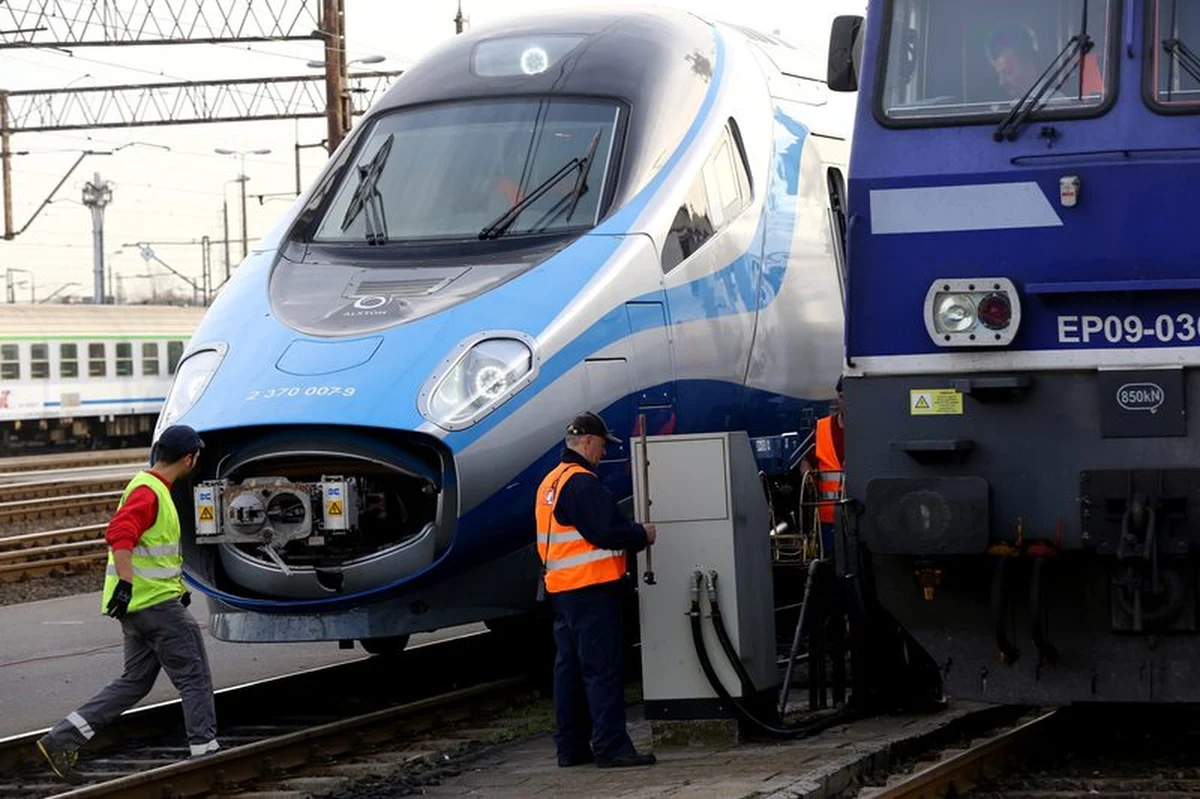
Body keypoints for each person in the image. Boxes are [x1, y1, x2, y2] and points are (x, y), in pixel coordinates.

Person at [37, 425, 217, 784]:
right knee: (194, 676)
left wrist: (165, 587)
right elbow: (121, 534)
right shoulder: (150, 492)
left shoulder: (150, 487)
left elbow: (152, 553)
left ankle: (63, 738)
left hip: (140, 608)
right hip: (154, 607)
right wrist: (126, 585)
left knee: (135, 681)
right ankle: (206, 754)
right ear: (188, 458)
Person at [535, 411, 657, 769]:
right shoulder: (583, 483)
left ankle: (570, 748)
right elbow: (606, 532)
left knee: (569, 672)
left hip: (562, 592)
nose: (604, 454)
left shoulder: (550, 483)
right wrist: (641, 535)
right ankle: (611, 746)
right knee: (602, 670)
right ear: (587, 442)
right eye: (602, 446)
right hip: (592, 590)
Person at [805, 377, 845, 559]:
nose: (847, 403)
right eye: (843, 397)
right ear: (837, 398)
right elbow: (806, 460)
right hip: (829, 518)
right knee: (832, 564)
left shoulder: (870, 428)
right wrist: (808, 478)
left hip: (863, 515)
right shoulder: (823, 428)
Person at [987, 23, 1042, 100]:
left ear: (1029, 65)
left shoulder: (1057, 105)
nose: (1002, 82)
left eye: (1008, 72)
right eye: (999, 74)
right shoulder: (1012, 105)